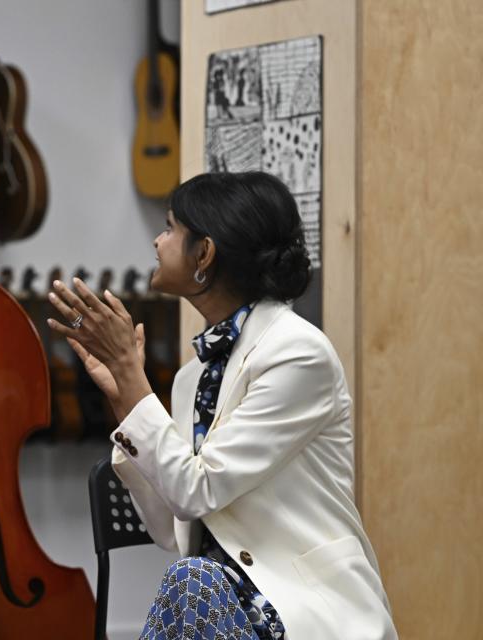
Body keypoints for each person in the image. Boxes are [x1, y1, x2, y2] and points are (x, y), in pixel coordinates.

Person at [48, 171, 397, 640]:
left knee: (191, 581)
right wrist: (121, 397)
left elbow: (198, 489)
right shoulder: (193, 376)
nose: (156, 240)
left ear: (204, 254)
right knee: (194, 580)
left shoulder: (296, 353)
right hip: (219, 607)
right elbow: (175, 529)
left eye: (170, 227)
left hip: (303, 606)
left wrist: (134, 378)